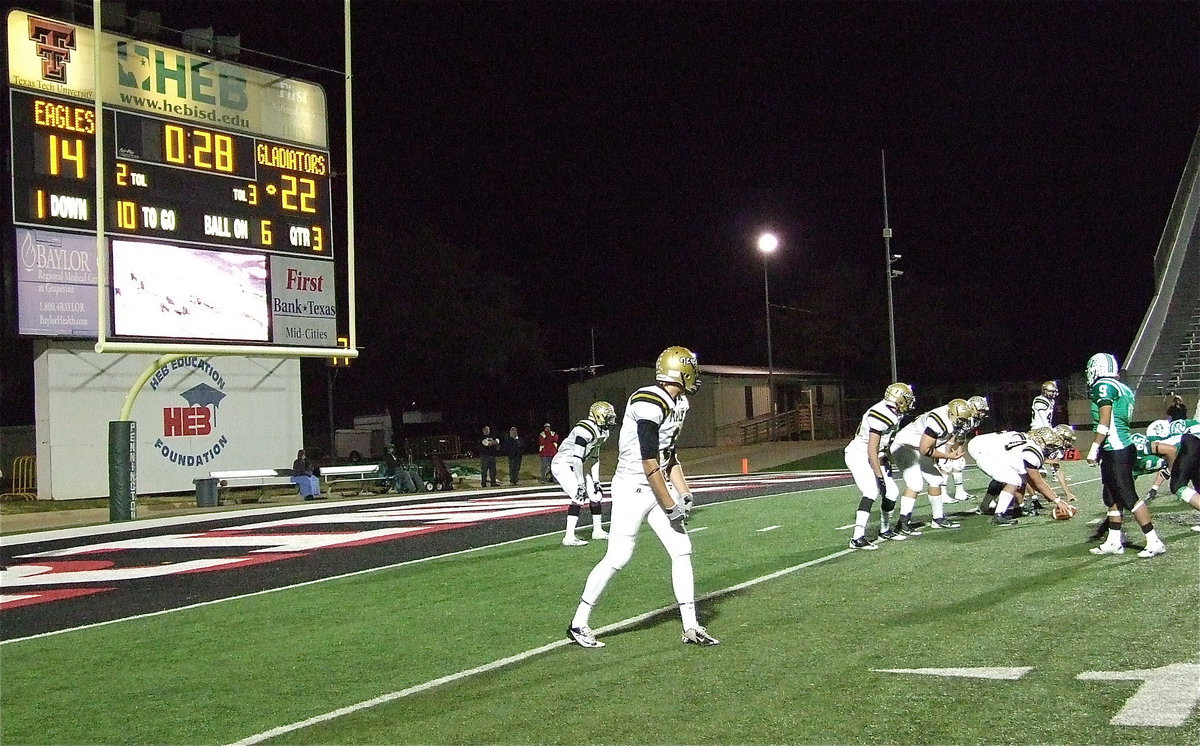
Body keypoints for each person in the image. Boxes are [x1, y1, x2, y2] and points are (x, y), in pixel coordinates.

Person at [567, 345, 718, 648]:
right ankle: (579, 622)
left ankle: (690, 625)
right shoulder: (647, 401)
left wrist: (685, 491)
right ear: (682, 371)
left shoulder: (680, 403)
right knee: (619, 556)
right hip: (633, 488)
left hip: (656, 483)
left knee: (682, 548)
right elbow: (650, 462)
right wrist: (670, 503)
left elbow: (668, 455)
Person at [1083, 352, 1166, 558]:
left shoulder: (1103, 386)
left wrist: (1095, 447)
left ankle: (1154, 540)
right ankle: (1113, 541)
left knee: (1129, 497)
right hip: (1121, 446)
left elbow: (1105, 419)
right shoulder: (1124, 388)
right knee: (1112, 497)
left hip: (1116, 447)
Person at [844, 382, 915, 549]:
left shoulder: (894, 412)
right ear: (898, 399)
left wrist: (886, 460)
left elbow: (883, 444)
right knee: (871, 491)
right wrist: (879, 476)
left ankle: (885, 530)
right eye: (907, 398)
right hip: (859, 454)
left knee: (892, 492)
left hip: (876, 455)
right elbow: (871, 449)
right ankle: (857, 538)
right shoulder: (882, 414)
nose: (910, 401)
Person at [887, 398, 975, 533]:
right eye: (961, 420)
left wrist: (942, 455)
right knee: (915, 484)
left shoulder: (953, 411)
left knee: (936, 480)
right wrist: (947, 456)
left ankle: (938, 519)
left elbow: (937, 442)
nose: (963, 422)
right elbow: (925, 449)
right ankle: (902, 523)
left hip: (919, 446)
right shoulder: (938, 422)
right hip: (904, 446)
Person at [966, 428, 1075, 525]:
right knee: (1013, 481)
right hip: (987, 454)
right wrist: (1057, 501)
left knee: (1018, 478)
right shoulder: (1033, 452)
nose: (1050, 449)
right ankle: (998, 515)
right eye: (1050, 446)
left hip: (992, 454)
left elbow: (1027, 479)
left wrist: (1049, 496)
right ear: (1041, 441)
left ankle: (1015, 508)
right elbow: (1037, 481)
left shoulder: (1029, 442)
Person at [553, 402, 617, 546]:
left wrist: (596, 481)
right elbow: (576, 459)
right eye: (608, 417)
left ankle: (598, 531)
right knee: (578, 495)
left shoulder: (602, 431)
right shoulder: (584, 430)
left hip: (579, 463)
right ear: (598, 416)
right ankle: (569, 537)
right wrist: (581, 484)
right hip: (563, 464)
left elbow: (594, 457)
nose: (610, 421)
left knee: (596, 495)